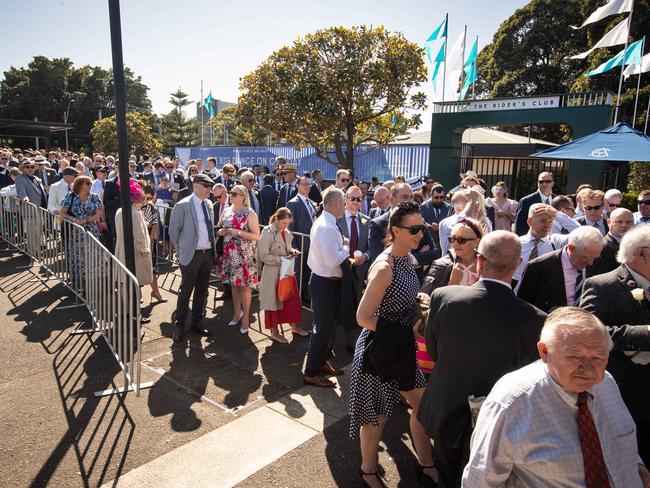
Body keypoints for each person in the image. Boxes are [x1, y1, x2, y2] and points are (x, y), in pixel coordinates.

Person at [463, 307, 650, 488]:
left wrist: (636, 467)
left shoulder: (605, 383)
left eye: (598, 358)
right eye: (575, 357)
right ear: (544, 351)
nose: (589, 370)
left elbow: (619, 437)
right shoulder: (512, 404)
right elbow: (480, 481)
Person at [418, 230, 546, 488]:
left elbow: (433, 349)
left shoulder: (445, 297)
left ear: (479, 260)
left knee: (446, 473)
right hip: (498, 421)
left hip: (445, 406)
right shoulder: (534, 319)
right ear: (518, 265)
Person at [349, 201, 436, 488]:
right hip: (381, 348)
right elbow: (363, 317)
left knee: (422, 406)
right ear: (395, 231)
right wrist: (402, 330)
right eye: (414, 229)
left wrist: (418, 304)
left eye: (421, 228)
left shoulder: (408, 259)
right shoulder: (384, 267)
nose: (420, 234)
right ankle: (368, 470)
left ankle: (426, 463)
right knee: (378, 415)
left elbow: (401, 300)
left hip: (402, 345)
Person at [580, 225, 650, 465]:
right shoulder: (602, 285)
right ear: (642, 254)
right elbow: (589, 333)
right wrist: (645, 334)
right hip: (625, 397)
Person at [303, 187, 359, 387]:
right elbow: (332, 260)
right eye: (344, 202)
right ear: (335, 203)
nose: (345, 206)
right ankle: (311, 372)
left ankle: (321, 362)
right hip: (325, 283)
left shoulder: (327, 222)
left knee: (328, 327)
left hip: (326, 282)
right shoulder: (327, 226)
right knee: (322, 329)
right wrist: (346, 247)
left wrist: (341, 246)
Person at [417, 218, 485, 376]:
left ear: (477, 241)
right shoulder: (442, 265)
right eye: (452, 239)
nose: (455, 244)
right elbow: (425, 300)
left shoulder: (487, 265)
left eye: (461, 240)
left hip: (477, 332)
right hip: (447, 332)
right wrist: (452, 283)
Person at [168, 174, 217, 343]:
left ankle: (197, 322)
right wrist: (182, 251)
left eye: (210, 186)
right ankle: (179, 325)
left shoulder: (209, 204)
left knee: (202, 291)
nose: (209, 189)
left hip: (207, 254)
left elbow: (209, 228)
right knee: (186, 291)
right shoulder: (183, 205)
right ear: (195, 185)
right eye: (206, 186)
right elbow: (173, 232)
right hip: (191, 255)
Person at [517, 226, 605, 313]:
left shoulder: (597, 264)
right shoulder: (538, 268)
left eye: (594, 257)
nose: (590, 262)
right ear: (571, 248)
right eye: (585, 257)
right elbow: (524, 306)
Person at [216, 184, 261, 334]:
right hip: (229, 255)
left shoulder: (250, 213)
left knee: (245, 287)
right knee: (234, 286)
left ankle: (246, 318)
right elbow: (218, 229)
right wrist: (221, 231)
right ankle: (237, 313)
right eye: (231, 193)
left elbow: (256, 236)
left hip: (244, 256)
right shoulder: (227, 210)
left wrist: (239, 233)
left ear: (243, 196)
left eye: (234, 193)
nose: (231, 195)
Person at [258, 207, 306, 343]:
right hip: (273, 273)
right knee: (273, 303)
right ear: (277, 219)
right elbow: (263, 256)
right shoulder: (267, 232)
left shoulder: (285, 231)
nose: (286, 226)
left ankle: (295, 327)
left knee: (293, 300)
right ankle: (274, 332)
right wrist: (282, 259)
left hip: (287, 271)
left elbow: (286, 248)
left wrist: (293, 251)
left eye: (288, 223)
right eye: (284, 223)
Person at [367, 183, 438, 269]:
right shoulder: (377, 225)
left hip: (417, 280)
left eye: (411, 197)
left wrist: (414, 258)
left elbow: (435, 253)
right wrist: (417, 259)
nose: (409, 201)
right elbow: (379, 259)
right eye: (404, 197)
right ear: (391, 199)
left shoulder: (420, 222)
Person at [337, 185, 370, 351]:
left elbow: (371, 247)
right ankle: (333, 339)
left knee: (356, 305)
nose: (356, 202)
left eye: (360, 199)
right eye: (353, 198)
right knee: (337, 304)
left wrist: (365, 257)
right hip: (338, 269)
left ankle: (352, 341)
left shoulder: (366, 221)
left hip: (358, 272)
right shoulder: (336, 219)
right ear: (345, 199)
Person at [114, 181, 154, 317]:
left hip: (123, 250)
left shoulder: (121, 211)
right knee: (134, 284)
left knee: (126, 283)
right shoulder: (135, 213)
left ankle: (128, 311)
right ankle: (134, 313)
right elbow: (140, 235)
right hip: (135, 254)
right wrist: (145, 250)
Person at [59, 175, 104, 286]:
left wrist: (85, 220)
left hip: (91, 231)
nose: (90, 185)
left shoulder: (94, 197)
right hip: (76, 233)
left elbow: (98, 214)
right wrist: (73, 219)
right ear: (80, 184)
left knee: (93, 255)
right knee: (77, 256)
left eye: (90, 183)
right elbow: (62, 213)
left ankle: (94, 281)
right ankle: (78, 281)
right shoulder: (71, 196)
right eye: (87, 183)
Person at [512, 203, 560, 286]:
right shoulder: (515, 244)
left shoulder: (556, 243)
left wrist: (558, 215)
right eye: (543, 221)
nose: (547, 226)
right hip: (518, 295)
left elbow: (584, 234)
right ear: (529, 221)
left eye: (550, 221)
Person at [286, 176, 316, 302]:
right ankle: (295, 299)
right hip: (300, 245)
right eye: (304, 184)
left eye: (309, 184)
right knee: (298, 273)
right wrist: (294, 248)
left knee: (308, 272)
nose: (307, 187)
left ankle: (304, 296)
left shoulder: (311, 202)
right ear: (297, 185)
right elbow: (290, 228)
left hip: (311, 245)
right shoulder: (292, 203)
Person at [438, 188, 492, 256]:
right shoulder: (446, 223)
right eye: (470, 205)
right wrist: (472, 201)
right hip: (452, 263)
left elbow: (486, 248)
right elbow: (462, 222)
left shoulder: (485, 221)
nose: (475, 206)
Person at [587, 207, 634, 277]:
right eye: (619, 222)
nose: (624, 225)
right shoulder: (600, 247)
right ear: (609, 222)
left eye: (628, 222)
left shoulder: (637, 245)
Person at [141, 185, 166, 302]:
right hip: (139, 242)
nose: (147, 200)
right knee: (138, 267)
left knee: (152, 268)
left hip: (149, 241)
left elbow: (154, 222)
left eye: (150, 198)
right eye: (145, 197)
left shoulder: (151, 207)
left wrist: (152, 237)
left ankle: (156, 292)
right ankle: (138, 295)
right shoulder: (133, 207)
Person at [514, 171, 555, 235]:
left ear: (552, 183)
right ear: (537, 183)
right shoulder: (526, 201)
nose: (544, 184)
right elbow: (519, 225)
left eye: (547, 181)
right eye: (541, 182)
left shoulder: (557, 199)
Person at [420, 183, 453, 250]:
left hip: (443, 243)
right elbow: (420, 221)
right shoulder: (423, 207)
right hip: (428, 244)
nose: (439, 200)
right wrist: (429, 225)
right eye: (436, 197)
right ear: (431, 195)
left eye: (441, 197)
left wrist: (440, 227)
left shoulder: (449, 207)